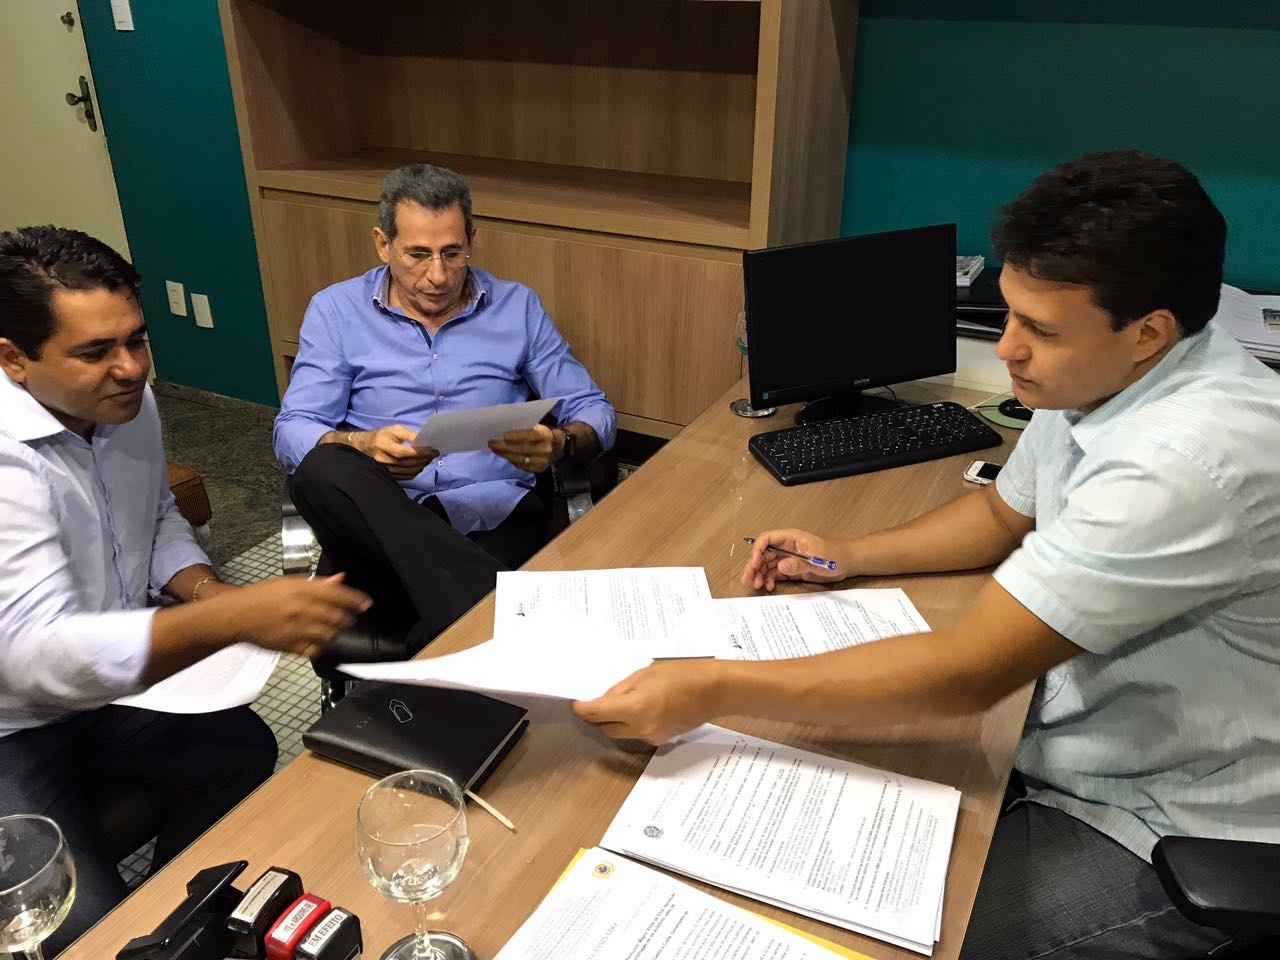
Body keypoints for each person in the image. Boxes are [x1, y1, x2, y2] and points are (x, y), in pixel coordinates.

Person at [573, 151, 1280, 959]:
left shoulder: (1185, 461)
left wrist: (715, 684)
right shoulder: (1101, 375)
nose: (1008, 350)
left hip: (1174, 822)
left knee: (875, 938)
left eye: (1042, 330)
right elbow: (1003, 512)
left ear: (1148, 332)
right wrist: (849, 553)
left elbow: (967, 675)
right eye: (1010, 316)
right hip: (1075, 741)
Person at [0, 226, 371, 955]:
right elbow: (33, 655)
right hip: (13, 724)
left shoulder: (127, 402)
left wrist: (205, 591)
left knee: (240, 750)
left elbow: (156, 513)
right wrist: (232, 618)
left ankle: (171, 929)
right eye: (96, 352)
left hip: (107, 693)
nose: (132, 368)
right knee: (73, 925)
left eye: (137, 340)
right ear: (13, 358)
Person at [274, 164, 616, 652]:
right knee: (322, 466)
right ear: (382, 244)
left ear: (471, 241)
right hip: (380, 509)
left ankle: (441, 639)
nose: (437, 275)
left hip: (495, 513)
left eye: (452, 254)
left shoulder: (517, 307)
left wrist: (560, 442)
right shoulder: (336, 311)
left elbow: (595, 410)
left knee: (418, 625)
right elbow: (292, 429)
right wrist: (361, 445)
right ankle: (495, 617)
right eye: (417, 254)